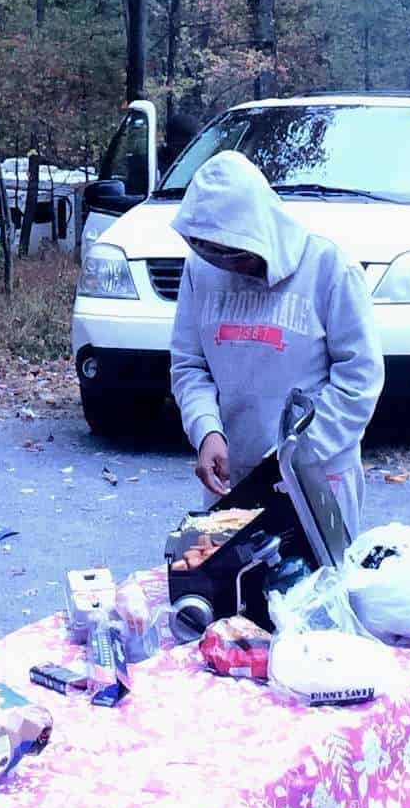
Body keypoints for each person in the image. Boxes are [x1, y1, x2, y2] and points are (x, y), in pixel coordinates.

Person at [160, 152, 379, 558]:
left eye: (239, 255)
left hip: (317, 478)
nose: (231, 266)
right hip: (234, 480)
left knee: (315, 605)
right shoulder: (201, 270)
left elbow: (359, 379)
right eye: (215, 255)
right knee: (233, 607)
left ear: (260, 231)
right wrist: (207, 430)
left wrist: (292, 457)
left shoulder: (330, 269)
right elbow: (190, 364)